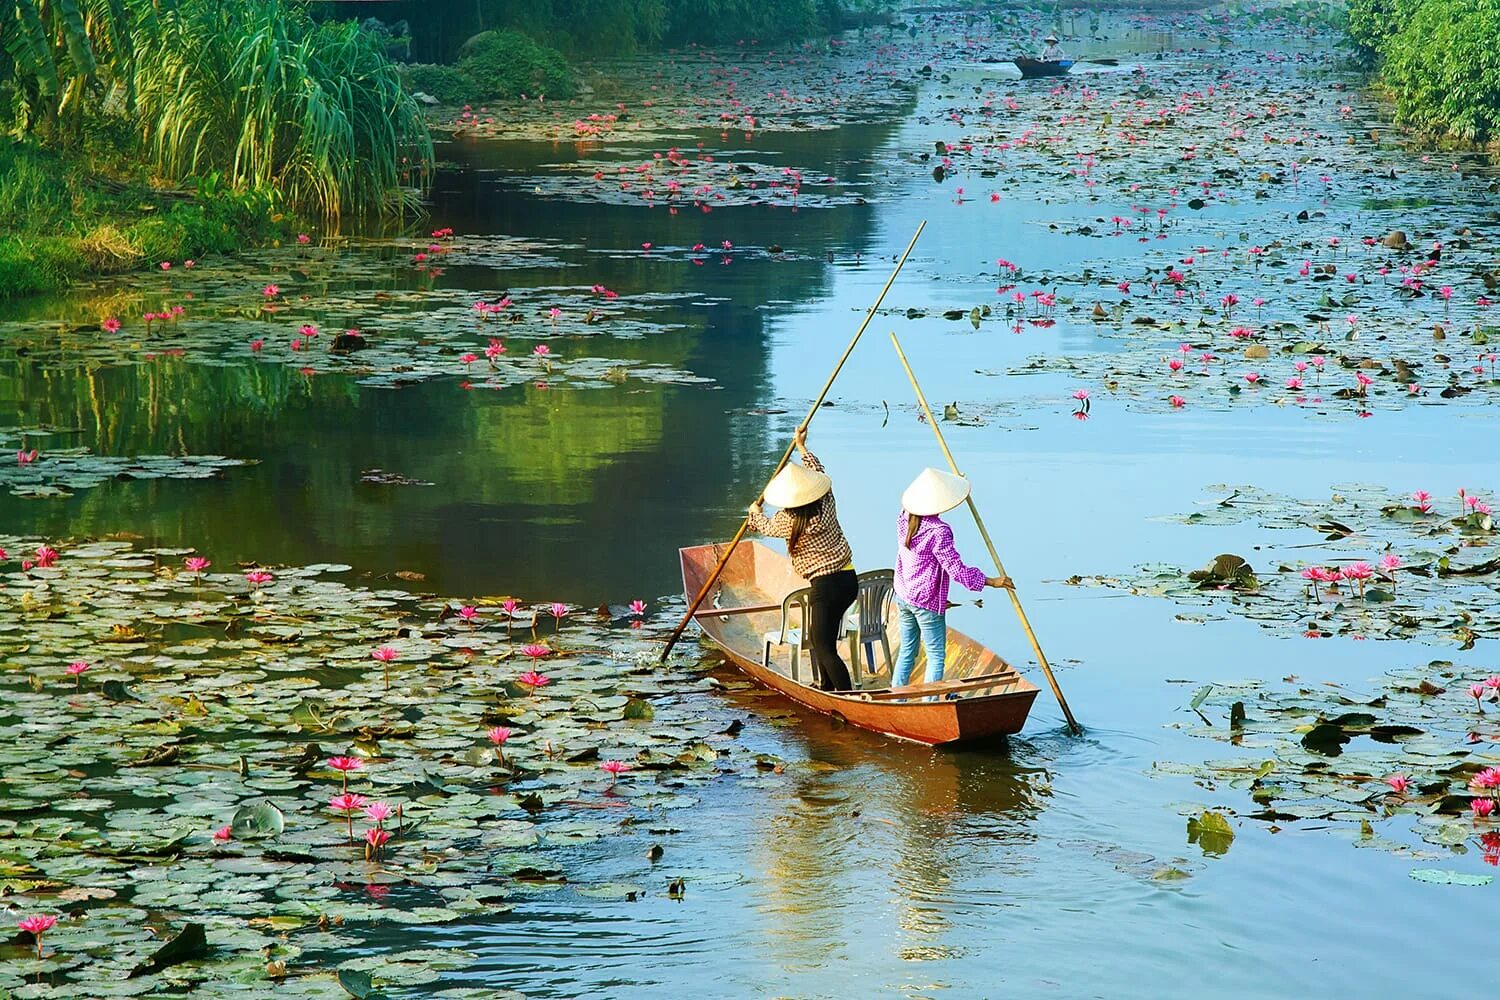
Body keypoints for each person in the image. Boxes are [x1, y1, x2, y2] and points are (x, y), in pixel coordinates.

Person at [747, 427, 857, 691]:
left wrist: (753, 511)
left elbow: (763, 525)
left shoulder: (788, 520)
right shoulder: (827, 502)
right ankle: (827, 688)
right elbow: (820, 474)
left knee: (824, 645)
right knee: (821, 639)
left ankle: (847, 696)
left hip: (826, 587)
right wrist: (802, 447)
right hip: (848, 579)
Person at [891, 468, 1012, 688]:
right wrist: (992, 581)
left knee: (907, 651)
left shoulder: (904, 517)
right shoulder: (939, 532)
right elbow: (956, 570)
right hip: (925, 601)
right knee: (936, 655)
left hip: (903, 594)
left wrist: (958, 484)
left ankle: (897, 695)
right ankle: (929, 701)